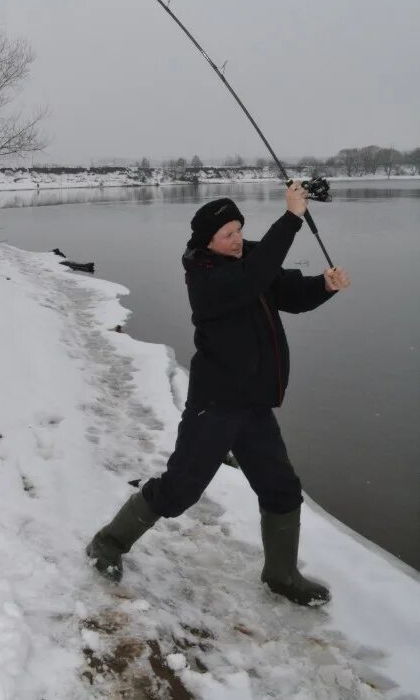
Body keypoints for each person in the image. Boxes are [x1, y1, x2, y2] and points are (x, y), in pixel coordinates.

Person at [86, 183, 351, 606]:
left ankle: (281, 575)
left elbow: (288, 294)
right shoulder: (207, 277)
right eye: (227, 234)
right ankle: (109, 541)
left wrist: (324, 286)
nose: (237, 240)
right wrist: (291, 219)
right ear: (207, 242)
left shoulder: (247, 260)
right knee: (180, 490)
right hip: (216, 404)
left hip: (254, 405)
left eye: (239, 230)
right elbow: (251, 280)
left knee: (282, 488)